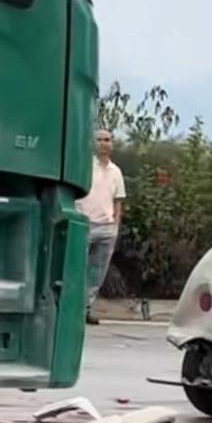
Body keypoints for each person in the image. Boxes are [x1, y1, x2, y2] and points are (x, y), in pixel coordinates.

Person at [78, 129, 127, 322]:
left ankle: (86, 309)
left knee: (97, 273)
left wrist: (115, 225)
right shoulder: (86, 166)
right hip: (86, 223)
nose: (103, 143)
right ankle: (73, 308)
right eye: (99, 139)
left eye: (106, 139)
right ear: (93, 143)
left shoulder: (116, 171)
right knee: (79, 268)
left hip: (106, 227)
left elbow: (118, 200)